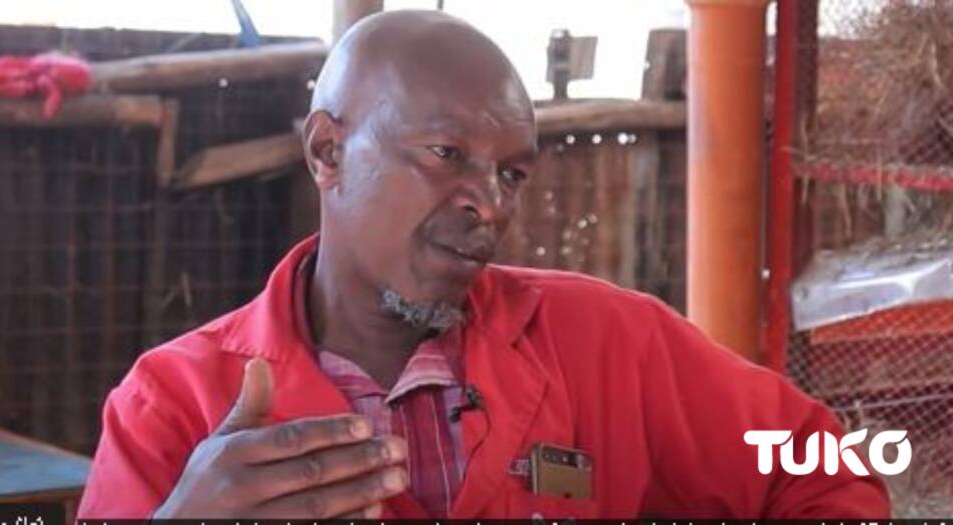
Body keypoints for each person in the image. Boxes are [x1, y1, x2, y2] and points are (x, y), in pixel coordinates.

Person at [77, 10, 890, 519]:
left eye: (510, 173)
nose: (490, 204)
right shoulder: (172, 405)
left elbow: (821, 462)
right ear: (328, 151)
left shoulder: (609, 341)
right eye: (446, 154)